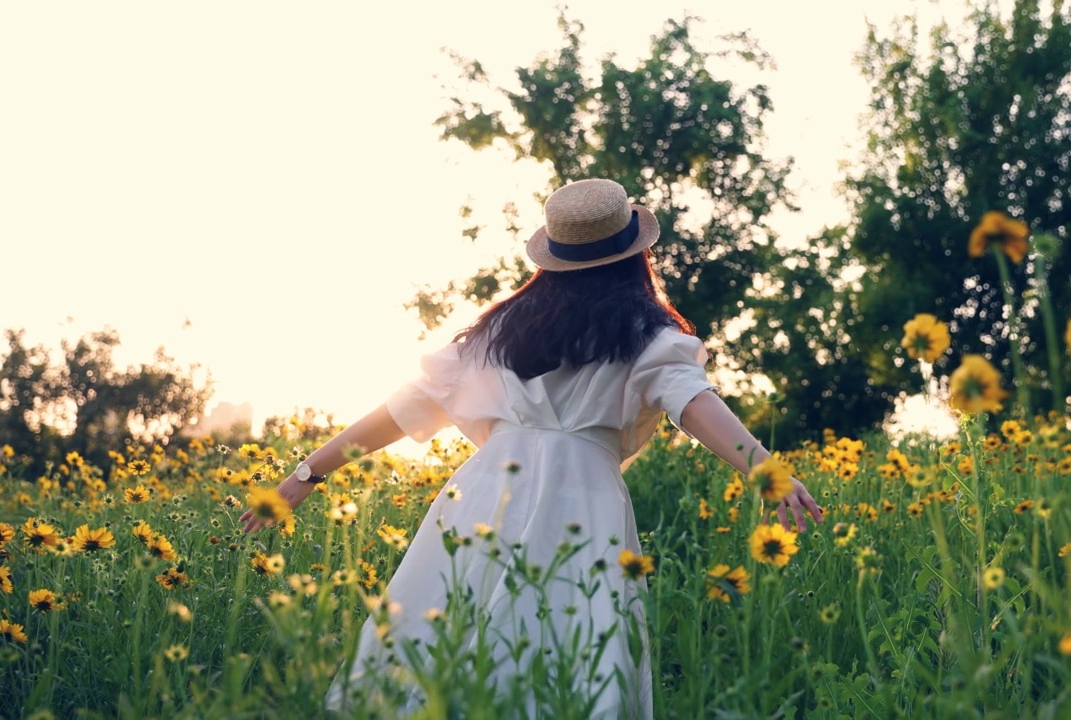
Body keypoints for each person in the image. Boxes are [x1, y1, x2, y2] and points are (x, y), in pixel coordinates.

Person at [238, 178, 823, 718]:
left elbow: (401, 410)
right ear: (635, 257)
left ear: (553, 260)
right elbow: (693, 403)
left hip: (482, 495)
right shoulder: (647, 333)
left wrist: (309, 473)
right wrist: (764, 469)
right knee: (570, 645)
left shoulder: (500, 331)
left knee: (444, 643)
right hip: (581, 499)